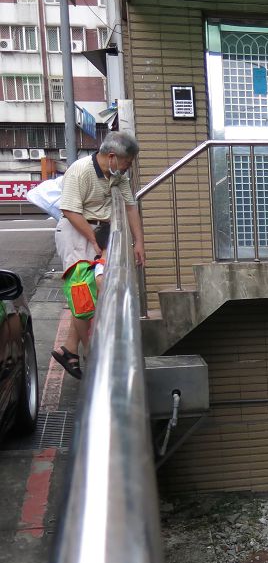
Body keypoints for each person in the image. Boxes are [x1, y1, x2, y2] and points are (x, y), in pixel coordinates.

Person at [51, 131, 145, 379]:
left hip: (99, 232)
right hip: (75, 231)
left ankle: (69, 350)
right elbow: (70, 210)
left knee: (87, 292)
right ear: (112, 157)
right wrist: (93, 240)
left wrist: (139, 243)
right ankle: (92, 354)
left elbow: (130, 206)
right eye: (126, 163)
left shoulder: (117, 176)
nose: (127, 168)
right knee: (82, 292)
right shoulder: (80, 170)